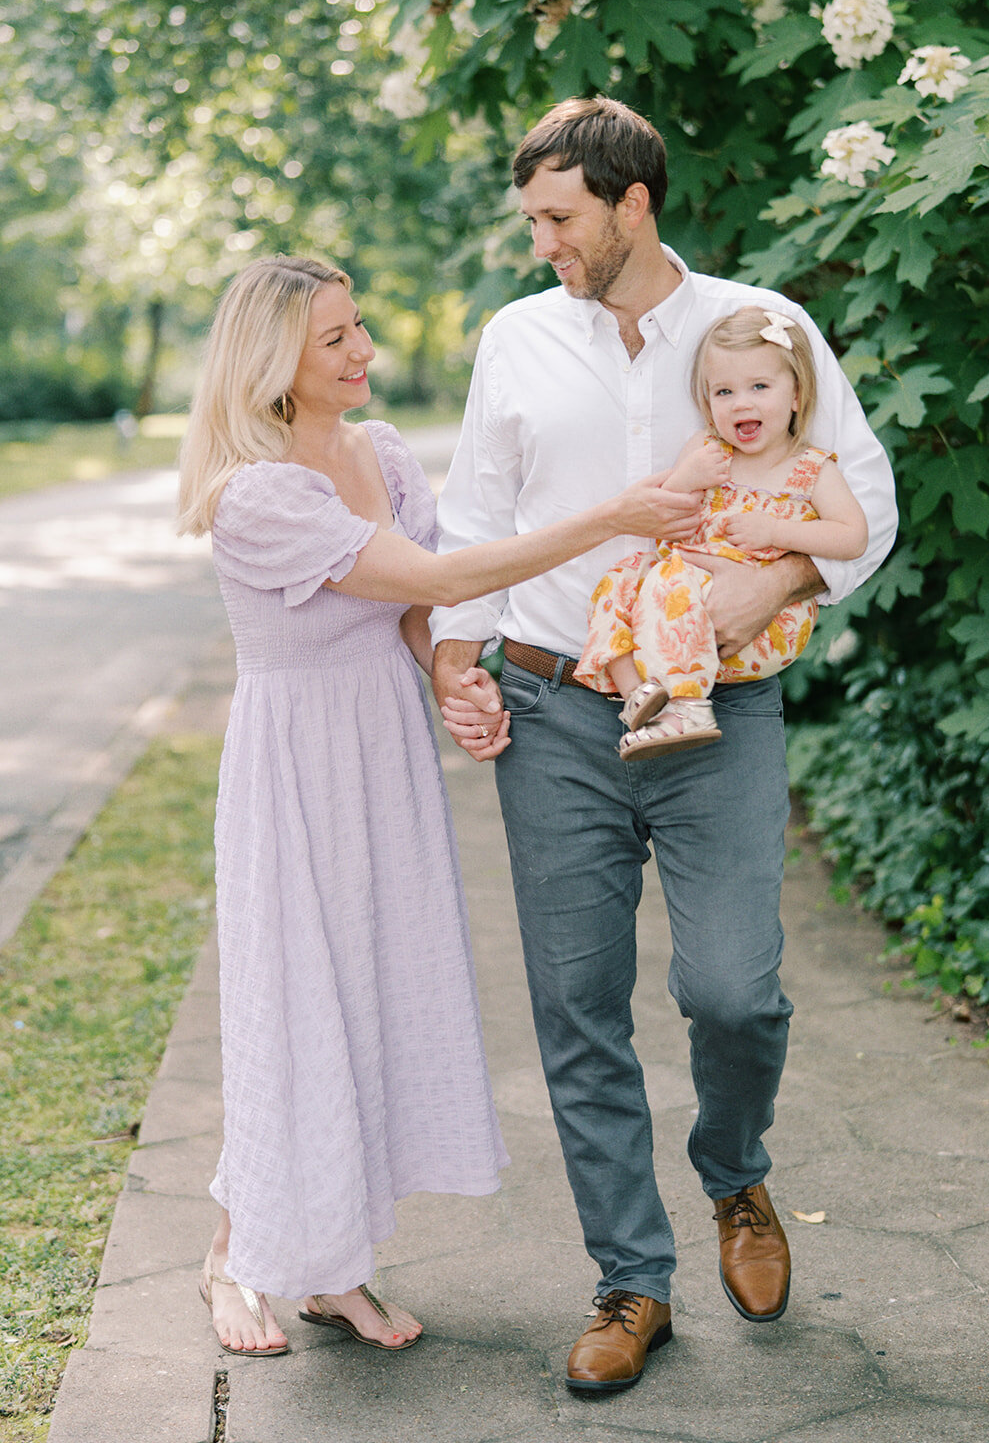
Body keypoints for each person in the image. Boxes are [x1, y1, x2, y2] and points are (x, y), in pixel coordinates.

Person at [430, 98, 897, 1393]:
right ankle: (628, 1282)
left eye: (559, 219)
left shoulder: (760, 326)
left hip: (719, 712)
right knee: (578, 1010)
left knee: (731, 989)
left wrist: (784, 588)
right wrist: (451, 658)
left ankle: (733, 1174)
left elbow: (863, 493)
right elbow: (475, 509)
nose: (542, 244)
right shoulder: (513, 340)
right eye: (532, 220)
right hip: (554, 711)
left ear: (632, 203)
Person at [176, 253, 703, 1358]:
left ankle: (333, 1267)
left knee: (368, 999)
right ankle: (239, 1254)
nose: (363, 350)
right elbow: (441, 580)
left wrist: (448, 679)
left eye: (357, 325)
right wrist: (611, 515)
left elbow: (416, 603)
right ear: (274, 359)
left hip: (383, 756)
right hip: (298, 768)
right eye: (336, 338)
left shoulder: (376, 449)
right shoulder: (257, 491)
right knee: (294, 1002)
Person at [575, 304, 868, 759]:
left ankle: (687, 708)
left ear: (796, 394)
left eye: (759, 387)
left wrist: (776, 530)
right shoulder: (707, 451)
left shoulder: (810, 469)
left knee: (670, 581)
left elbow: (852, 538)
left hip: (761, 624)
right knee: (623, 576)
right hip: (682, 603)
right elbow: (662, 523)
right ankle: (640, 695)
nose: (742, 403)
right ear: (707, 401)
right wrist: (685, 478)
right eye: (724, 391)